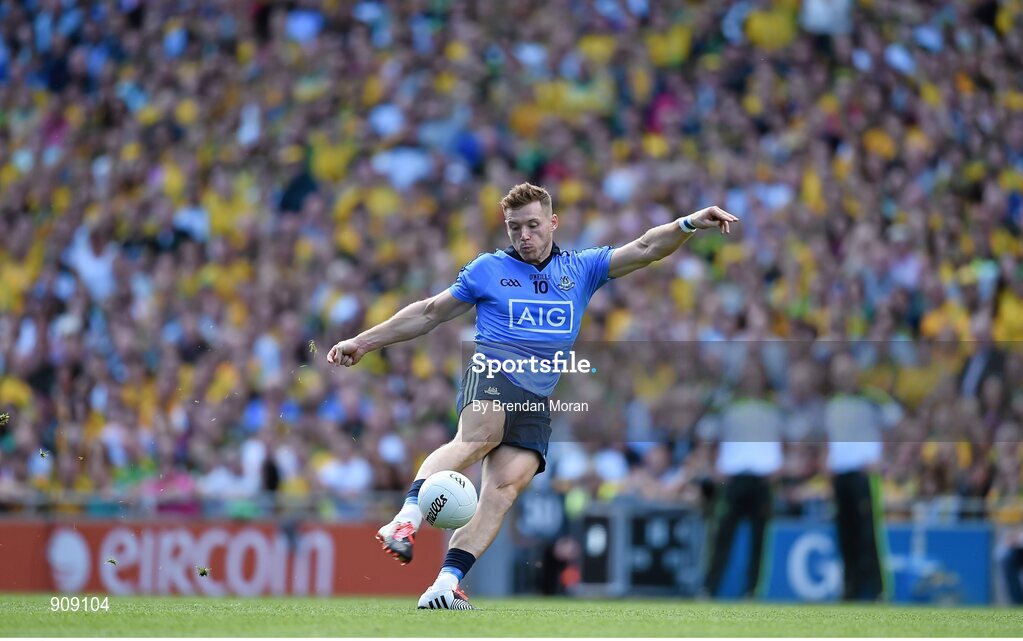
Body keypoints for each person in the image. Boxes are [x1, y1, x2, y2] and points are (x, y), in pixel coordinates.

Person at [327, 183, 737, 609]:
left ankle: (446, 584)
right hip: (492, 370)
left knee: (503, 490)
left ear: (553, 223)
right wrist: (365, 341)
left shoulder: (581, 268)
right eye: (514, 227)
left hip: (536, 396)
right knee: (478, 436)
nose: (524, 235)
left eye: (533, 225)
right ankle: (406, 519)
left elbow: (647, 247)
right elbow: (430, 312)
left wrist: (688, 223)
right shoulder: (487, 269)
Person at [699, 360, 784, 599]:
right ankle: (709, 587)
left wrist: (781, 464)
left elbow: (794, 435)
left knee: (760, 537)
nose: (751, 379)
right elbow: (706, 434)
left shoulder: (774, 407)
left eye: (755, 373)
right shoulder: (727, 405)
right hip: (732, 478)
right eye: (746, 373)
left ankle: (753, 590)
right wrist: (712, 465)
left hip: (764, 478)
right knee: (722, 535)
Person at [824, 353, 901, 601]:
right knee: (845, 533)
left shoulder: (872, 399)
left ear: (856, 374)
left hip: (864, 474)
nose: (843, 379)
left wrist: (885, 458)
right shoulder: (833, 403)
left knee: (870, 533)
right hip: (840, 474)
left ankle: (878, 589)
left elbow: (899, 423)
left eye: (847, 373)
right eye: (839, 375)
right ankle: (851, 588)